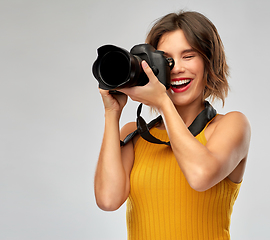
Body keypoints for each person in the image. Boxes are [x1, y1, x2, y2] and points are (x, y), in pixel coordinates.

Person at [94, 11, 251, 240]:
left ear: (209, 63)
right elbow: (108, 200)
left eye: (188, 56)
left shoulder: (231, 125)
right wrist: (112, 112)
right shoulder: (133, 135)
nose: (176, 68)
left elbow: (200, 176)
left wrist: (163, 101)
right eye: (167, 60)